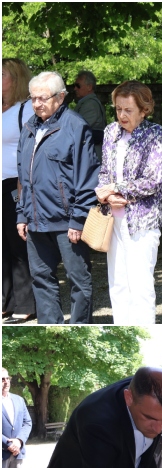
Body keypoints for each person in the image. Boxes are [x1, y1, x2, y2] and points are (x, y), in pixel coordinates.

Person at [16, 71, 100, 324]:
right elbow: (23, 176)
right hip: (35, 220)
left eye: (43, 97)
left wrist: (78, 218)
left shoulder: (75, 126)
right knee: (41, 279)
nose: (37, 103)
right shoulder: (29, 127)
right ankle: (50, 328)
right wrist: (22, 214)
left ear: (60, 97)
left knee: (79, 280)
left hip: (67, 221)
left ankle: (79, 327)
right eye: (33, 98)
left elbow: (88, 176)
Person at [95, 81, 162, 325]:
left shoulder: (155, 134)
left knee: (140, 287)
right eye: (118, 109)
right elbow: (105, 171)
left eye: (128, 110)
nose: (122, 115)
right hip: (112, 218)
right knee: (117, 284)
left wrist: (118, 189)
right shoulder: (110, 132)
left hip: (141, 221)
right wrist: (105, 193)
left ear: (144, 109)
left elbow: (154, 180)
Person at [2, 58, 35, 324]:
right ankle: (5, 300)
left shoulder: (26, 109)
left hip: (15, 182)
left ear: (16, 78)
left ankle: (25, 303)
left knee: (18, 243)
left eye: (2, 75)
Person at [1, 367, 34, 468]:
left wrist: (19, 441)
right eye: (1, 379)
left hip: (17, 451)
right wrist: (7, 442)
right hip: (2, 451)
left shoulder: (19, 400)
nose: (5, 382)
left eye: (7, 378)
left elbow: (27, 423)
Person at [72, 70, 106, 144]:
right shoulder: (88, 103)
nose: (75, 88)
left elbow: (77, 129)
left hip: (91, 152)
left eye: (78, 86)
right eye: (74, 85)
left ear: (89, 87)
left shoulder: (90, 104)